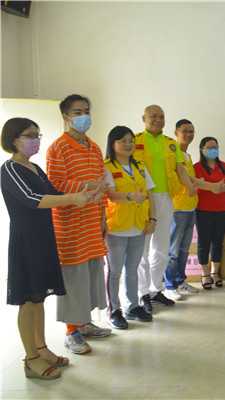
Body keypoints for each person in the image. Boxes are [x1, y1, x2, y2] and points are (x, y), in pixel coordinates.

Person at [1, 118, 101, 379]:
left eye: (38, 135)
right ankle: (31, 359)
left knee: (39, 298)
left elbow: (54, 192)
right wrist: (72, 198)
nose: (35, 140)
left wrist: (86, 191)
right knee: (27, 301)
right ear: (13, 139)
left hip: (45, 239)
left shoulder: (34, 167)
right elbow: (32, 199)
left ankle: (42, 348)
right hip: (26, 242)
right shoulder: (10, 168)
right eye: (29, 135)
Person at [46, 94, 111, 354]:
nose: (84, 116)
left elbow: (102, 185)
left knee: (91, 273)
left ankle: (84, 323)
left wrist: (103, 215)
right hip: (70, 222)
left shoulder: (94, 148)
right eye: (77, 112)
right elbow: (55, 185)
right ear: (66, 117)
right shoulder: (58, 148)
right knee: (73, 276)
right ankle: (71, 332)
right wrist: (86, 186)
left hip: (92, 221)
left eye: (87, 111)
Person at [132, 105, 199, 313]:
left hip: (167, 198)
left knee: (161, 248)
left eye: (162, 117)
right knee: (142, 250)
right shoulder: (134, 141)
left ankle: (155, 290)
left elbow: (180, 171)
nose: (158, 120)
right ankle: (142, 293)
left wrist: (190, 187)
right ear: (144, 118)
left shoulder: (170, 144)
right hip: (143, 200)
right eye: (153, 116)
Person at [104, 126, 155, 329]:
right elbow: (110, 195)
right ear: (113, 144)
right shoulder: (107, 167)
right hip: (116, 227)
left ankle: (132, 306)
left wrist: (153, 220)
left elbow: (150, 195)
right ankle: (114, 310)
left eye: (130, 141)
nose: (128, 144)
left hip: (139, 226)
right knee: (114, 271)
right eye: (123, 141)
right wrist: (129, 196)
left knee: (132, 269)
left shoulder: (140, 166)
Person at [164, 119, 200, 301]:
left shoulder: (188, 156)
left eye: (191, 131)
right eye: (185, 131)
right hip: (177, 208)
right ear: (176, 132)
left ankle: (180, 281)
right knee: (173, 251)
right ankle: (169, 286)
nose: (189, 134)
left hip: (190, 207)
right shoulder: (173, 154)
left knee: (184, 250)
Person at [193, 136, 225, 290]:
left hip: (221, 209)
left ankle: (215, 272)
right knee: (203, 243)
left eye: (215, 147)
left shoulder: (224, 166)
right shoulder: (197, 167)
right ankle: (205, 274)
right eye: (209, 148)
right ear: (202, 150)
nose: (213, 150)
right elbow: (200, 184)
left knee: (217, 242)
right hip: (203, 210)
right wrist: (214, 186)